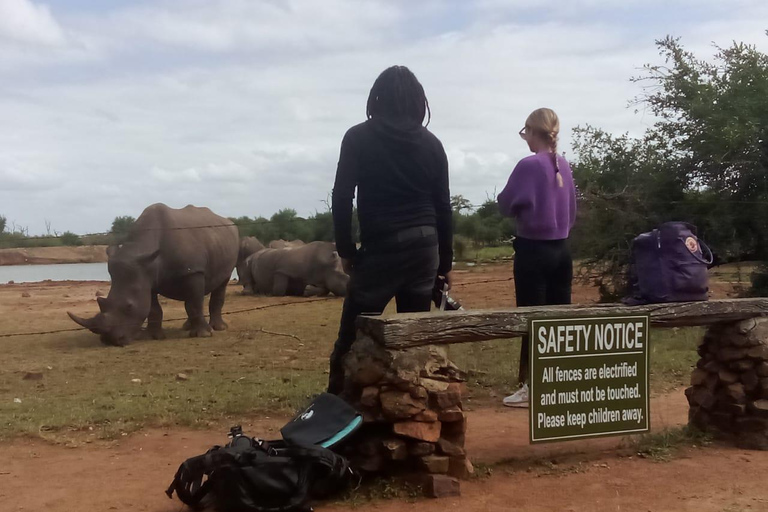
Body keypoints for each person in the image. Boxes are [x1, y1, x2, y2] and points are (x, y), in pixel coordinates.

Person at [327, 65, 453, 395]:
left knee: (351, 338)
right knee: (412, 341)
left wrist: (346, 250)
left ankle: (335, 416)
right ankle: (414, 421)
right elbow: (443, 206)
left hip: (380, 249)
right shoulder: (433, 145)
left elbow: (342, 196)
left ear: (376, 99)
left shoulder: (358, 137)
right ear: (418, 101)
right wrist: (445, 264)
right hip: (425, 249)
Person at [497, 107, 577, 407]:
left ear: (533, 131)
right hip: (562, 251)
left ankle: (534, 388)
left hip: (534, 251)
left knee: (533, 319)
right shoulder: (563, 165)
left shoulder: (528, 165)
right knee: (558, 320)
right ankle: (559, 385)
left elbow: (506, 204)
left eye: (525, 132)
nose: (525, 138)